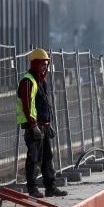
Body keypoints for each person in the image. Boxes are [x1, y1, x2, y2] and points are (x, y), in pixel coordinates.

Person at [16, 48, 67, 198]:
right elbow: (27, 104)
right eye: (42, 64)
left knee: (47, 158)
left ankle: (50, 187)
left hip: (42, 126)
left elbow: (43, 104)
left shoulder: (41, 81)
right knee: (34, 158)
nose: (45, 67)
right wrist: (33, 126)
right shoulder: (28, 81)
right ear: (35, 64)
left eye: (47, 64)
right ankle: (32, 189)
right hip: (34, 128)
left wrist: (48, 123)